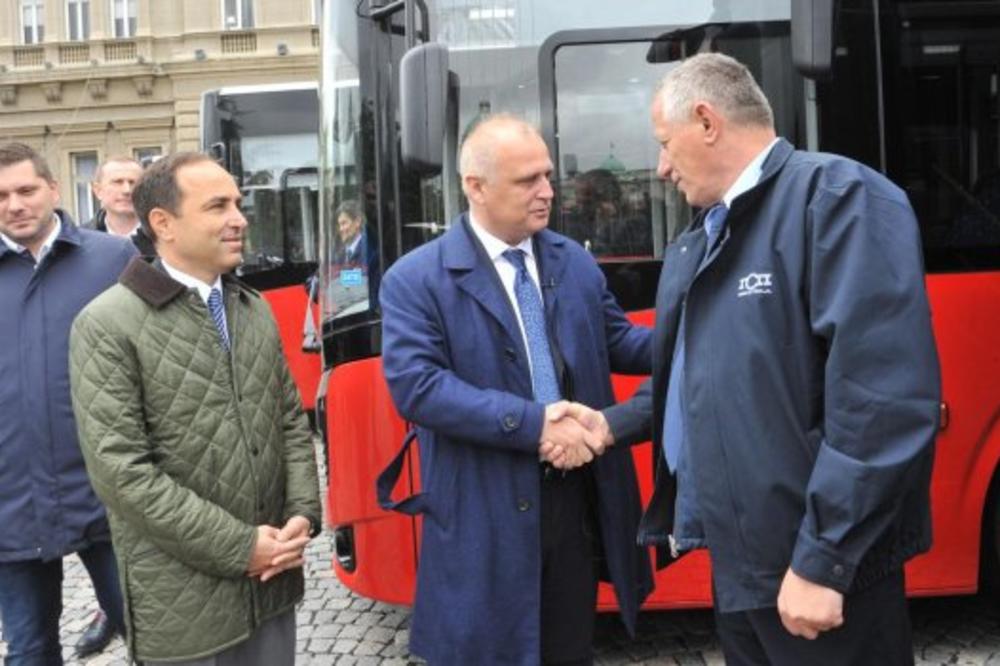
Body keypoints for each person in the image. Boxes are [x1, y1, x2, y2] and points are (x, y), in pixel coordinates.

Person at [566, 52, 941, 665]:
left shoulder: (839, 199)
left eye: (665, 143)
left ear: (708, 122)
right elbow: (704, 375)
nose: (660, 167)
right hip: (745, 567)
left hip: (815, 575)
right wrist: (613, 423)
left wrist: (824, 559)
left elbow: (883, 403)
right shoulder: (705, 235)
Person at [377, 115, 654, 665]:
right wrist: (535, 425)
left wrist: (707, 332)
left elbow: (620, 342)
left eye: (548, 175)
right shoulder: (415, 280)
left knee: (568, 650)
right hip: (485, 513)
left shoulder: (570, 259)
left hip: (573, 506)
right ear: (475, 187)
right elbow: (420, 387)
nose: (548, 191)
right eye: (528, 180)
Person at [68, 152, 322, 665]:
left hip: (272, 585)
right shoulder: (106, 324)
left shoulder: (251, 308)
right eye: (218, 206)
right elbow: (122, 473)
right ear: (162, 223)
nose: (239, 219)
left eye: (238, 203)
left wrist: (301, 513)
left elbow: (291, 420)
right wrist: (239, 546)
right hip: (185, 608)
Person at [0, 142, 133, 664]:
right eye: (2, 195)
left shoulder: (112, 258)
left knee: (150, 634)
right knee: (29, 651)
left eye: (26, 190)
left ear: (54, 190)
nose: (15, 204)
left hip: (107, 494)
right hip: (11, 503)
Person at [86, 155, 155, 256]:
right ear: (98, 190)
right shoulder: (80, 242)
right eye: (118, 182)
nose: (127, 190)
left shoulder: (164, 237)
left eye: (133, 182)